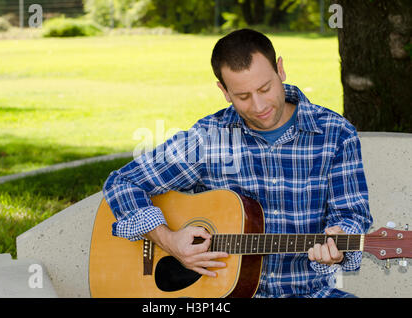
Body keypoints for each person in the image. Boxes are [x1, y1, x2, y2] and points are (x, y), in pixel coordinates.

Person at [102, 28, 373, 298]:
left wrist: (338, 243)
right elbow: (123, 182)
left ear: (280, 69)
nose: (258, 106)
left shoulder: (335, 133)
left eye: (265, 88)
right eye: (243, 96)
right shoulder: (209, 138)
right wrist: (167, 239)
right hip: (219, 296)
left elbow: (351, 216)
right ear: (224, 90)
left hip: (308, 291)